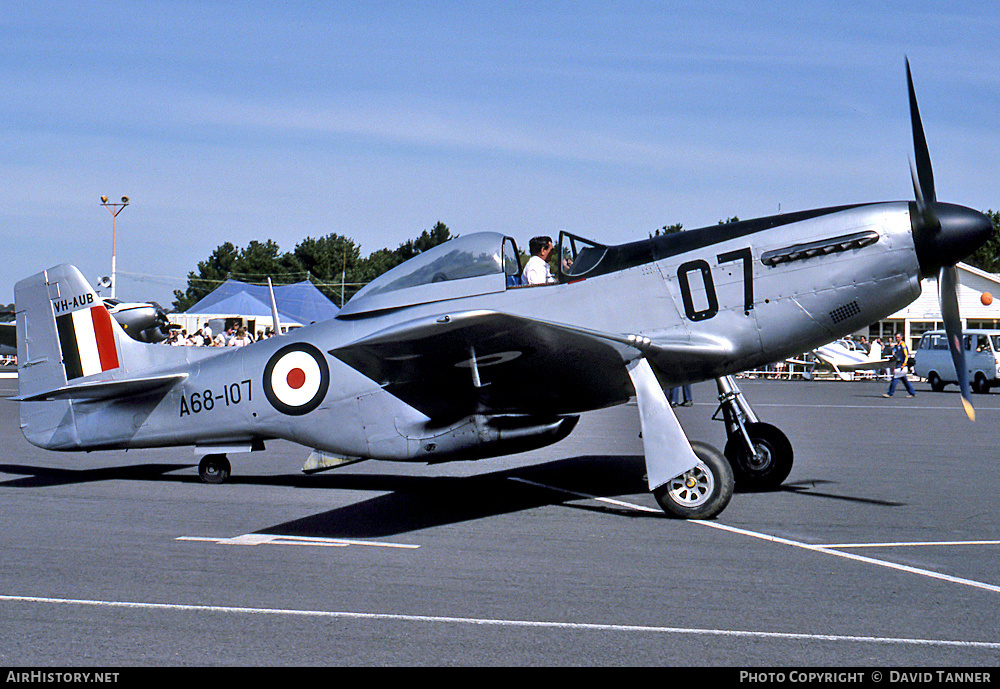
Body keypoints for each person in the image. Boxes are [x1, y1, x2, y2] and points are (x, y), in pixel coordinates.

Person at [883, 333, 915, 398]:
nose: (897, 338)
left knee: (895, 379)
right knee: (904, 380)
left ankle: (890, 393)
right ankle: (912, 392)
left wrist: (904, 364)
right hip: (898, 364)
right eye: (896, 337)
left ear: (901, 337)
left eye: (898, 337)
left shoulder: (903, 345)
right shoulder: (897, 345)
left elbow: (906, 355)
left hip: (901, 365)